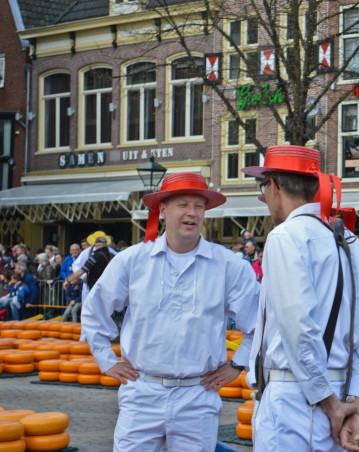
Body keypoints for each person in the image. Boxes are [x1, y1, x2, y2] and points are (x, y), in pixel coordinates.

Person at [81, 173, 260, 451]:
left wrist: (238, 364)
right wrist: (106, 360)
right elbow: (95, 308)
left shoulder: (229, 265)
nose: (192, 213)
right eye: (183, 205)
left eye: (199, 206)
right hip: (141, 390)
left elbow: (259, 321)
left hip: (197, 395)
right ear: (162, 210)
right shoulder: (134, 259)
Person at [242, 145, 359, 451]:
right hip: (345, 397)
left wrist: (330, 403)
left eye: (264, 187)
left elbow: (298, 327)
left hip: (295, 398)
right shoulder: (352, 244)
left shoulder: (285, 236)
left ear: (274, 186)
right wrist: (356, 402)